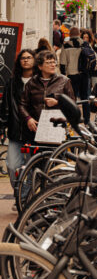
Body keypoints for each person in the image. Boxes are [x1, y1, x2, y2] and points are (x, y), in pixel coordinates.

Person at [1, 49, 37, 199]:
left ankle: (22, 198)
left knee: (31, 167)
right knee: (11, 165)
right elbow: (5, 106)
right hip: (16, 131)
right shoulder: (12, 82)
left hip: (34, 133)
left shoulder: (38, 82)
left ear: (34, 61)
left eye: (29, 58)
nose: (26, 60)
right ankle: (21, 194)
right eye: (23, 58)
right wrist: (2, 126)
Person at [20, 50, 76, 140]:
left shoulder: (64, 81)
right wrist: (28, 118)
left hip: (59, 126)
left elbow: (73, 105)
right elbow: (22, 104)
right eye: (49, 62)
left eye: (54, 62)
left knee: (59, 154)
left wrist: (57, 103)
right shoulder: (32, 83)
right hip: (37, 128)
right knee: (39, 154)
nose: (53, 65)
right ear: (40, 66)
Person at [59, 27, 94, 119]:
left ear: (70, 35)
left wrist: (63, 76)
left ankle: (74, 118)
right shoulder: (85, 44)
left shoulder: (66, 45)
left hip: (72, 75)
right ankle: (87, 119)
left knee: (72, 97)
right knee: (85, 97)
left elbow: (62, 63)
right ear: (79, 34)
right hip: (84, 74)